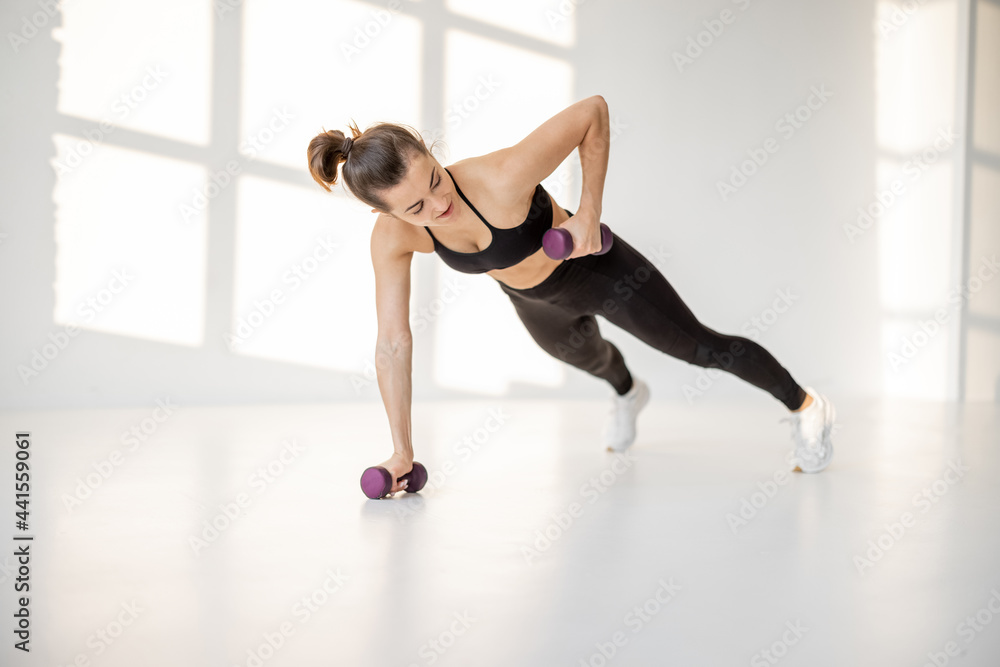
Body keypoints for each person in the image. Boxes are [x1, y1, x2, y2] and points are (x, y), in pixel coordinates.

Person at [307, 95, 836, 495]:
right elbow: (393, 344)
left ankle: (807, 406)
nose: (436, 206)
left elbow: (592, 111)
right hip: (532, 300)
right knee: (592, 359)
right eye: (414, 208)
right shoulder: (392, 238)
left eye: (435, 182)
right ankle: (630, 394)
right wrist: (402, 449)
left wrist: (587, 214)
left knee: (698, 347)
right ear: (386, 214)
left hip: (598, 271)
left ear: (430, 151)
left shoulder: (502, 176)